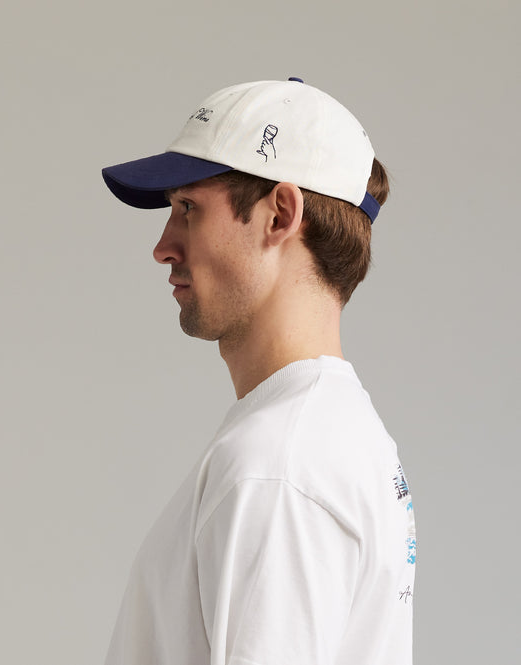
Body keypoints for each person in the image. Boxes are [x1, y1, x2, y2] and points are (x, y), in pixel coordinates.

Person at [101, 77, 416, 665]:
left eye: (188, 208)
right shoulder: (329, 435)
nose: (163, 246)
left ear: (280, 215)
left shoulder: (280, 466)